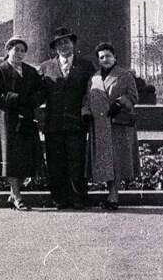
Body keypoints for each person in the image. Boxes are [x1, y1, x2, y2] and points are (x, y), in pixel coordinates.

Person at [38, 26, 95, 209]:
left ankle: (78, 198)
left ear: (73, 43)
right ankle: (60, 199)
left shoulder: (86, 66)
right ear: (55, 47)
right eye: (59, 43)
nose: (63, 45)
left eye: (66, 41)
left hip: (76, 123)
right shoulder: (46, 67)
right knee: (55, 163)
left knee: (77, 162)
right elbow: (38, 93)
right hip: (53, 123)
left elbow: (91, 92)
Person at [0, 36, 44, 210]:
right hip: (6, 119)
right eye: (16, 49)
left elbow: (41, 91)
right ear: (8, 50)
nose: (19, 53)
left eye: (22, 51)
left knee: (23, 156)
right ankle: (17, 196)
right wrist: (16, 99)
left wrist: (33, 101)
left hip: (26, 118)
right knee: (10, 157)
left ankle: (13, 195)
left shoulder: (30, 71)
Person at [83, 42, 140, 210]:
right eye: (101, 57)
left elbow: (134, 96)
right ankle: (111, 194)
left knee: (117, 160)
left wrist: (121, 102)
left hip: (118, 124)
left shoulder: (125, 75)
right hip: (99, 125)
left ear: (115, 57)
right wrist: (85, 112)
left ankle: (113, 196)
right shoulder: (93, 78)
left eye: (108, 56)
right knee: (106, 161)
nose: (105, 59)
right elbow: (87, 98)